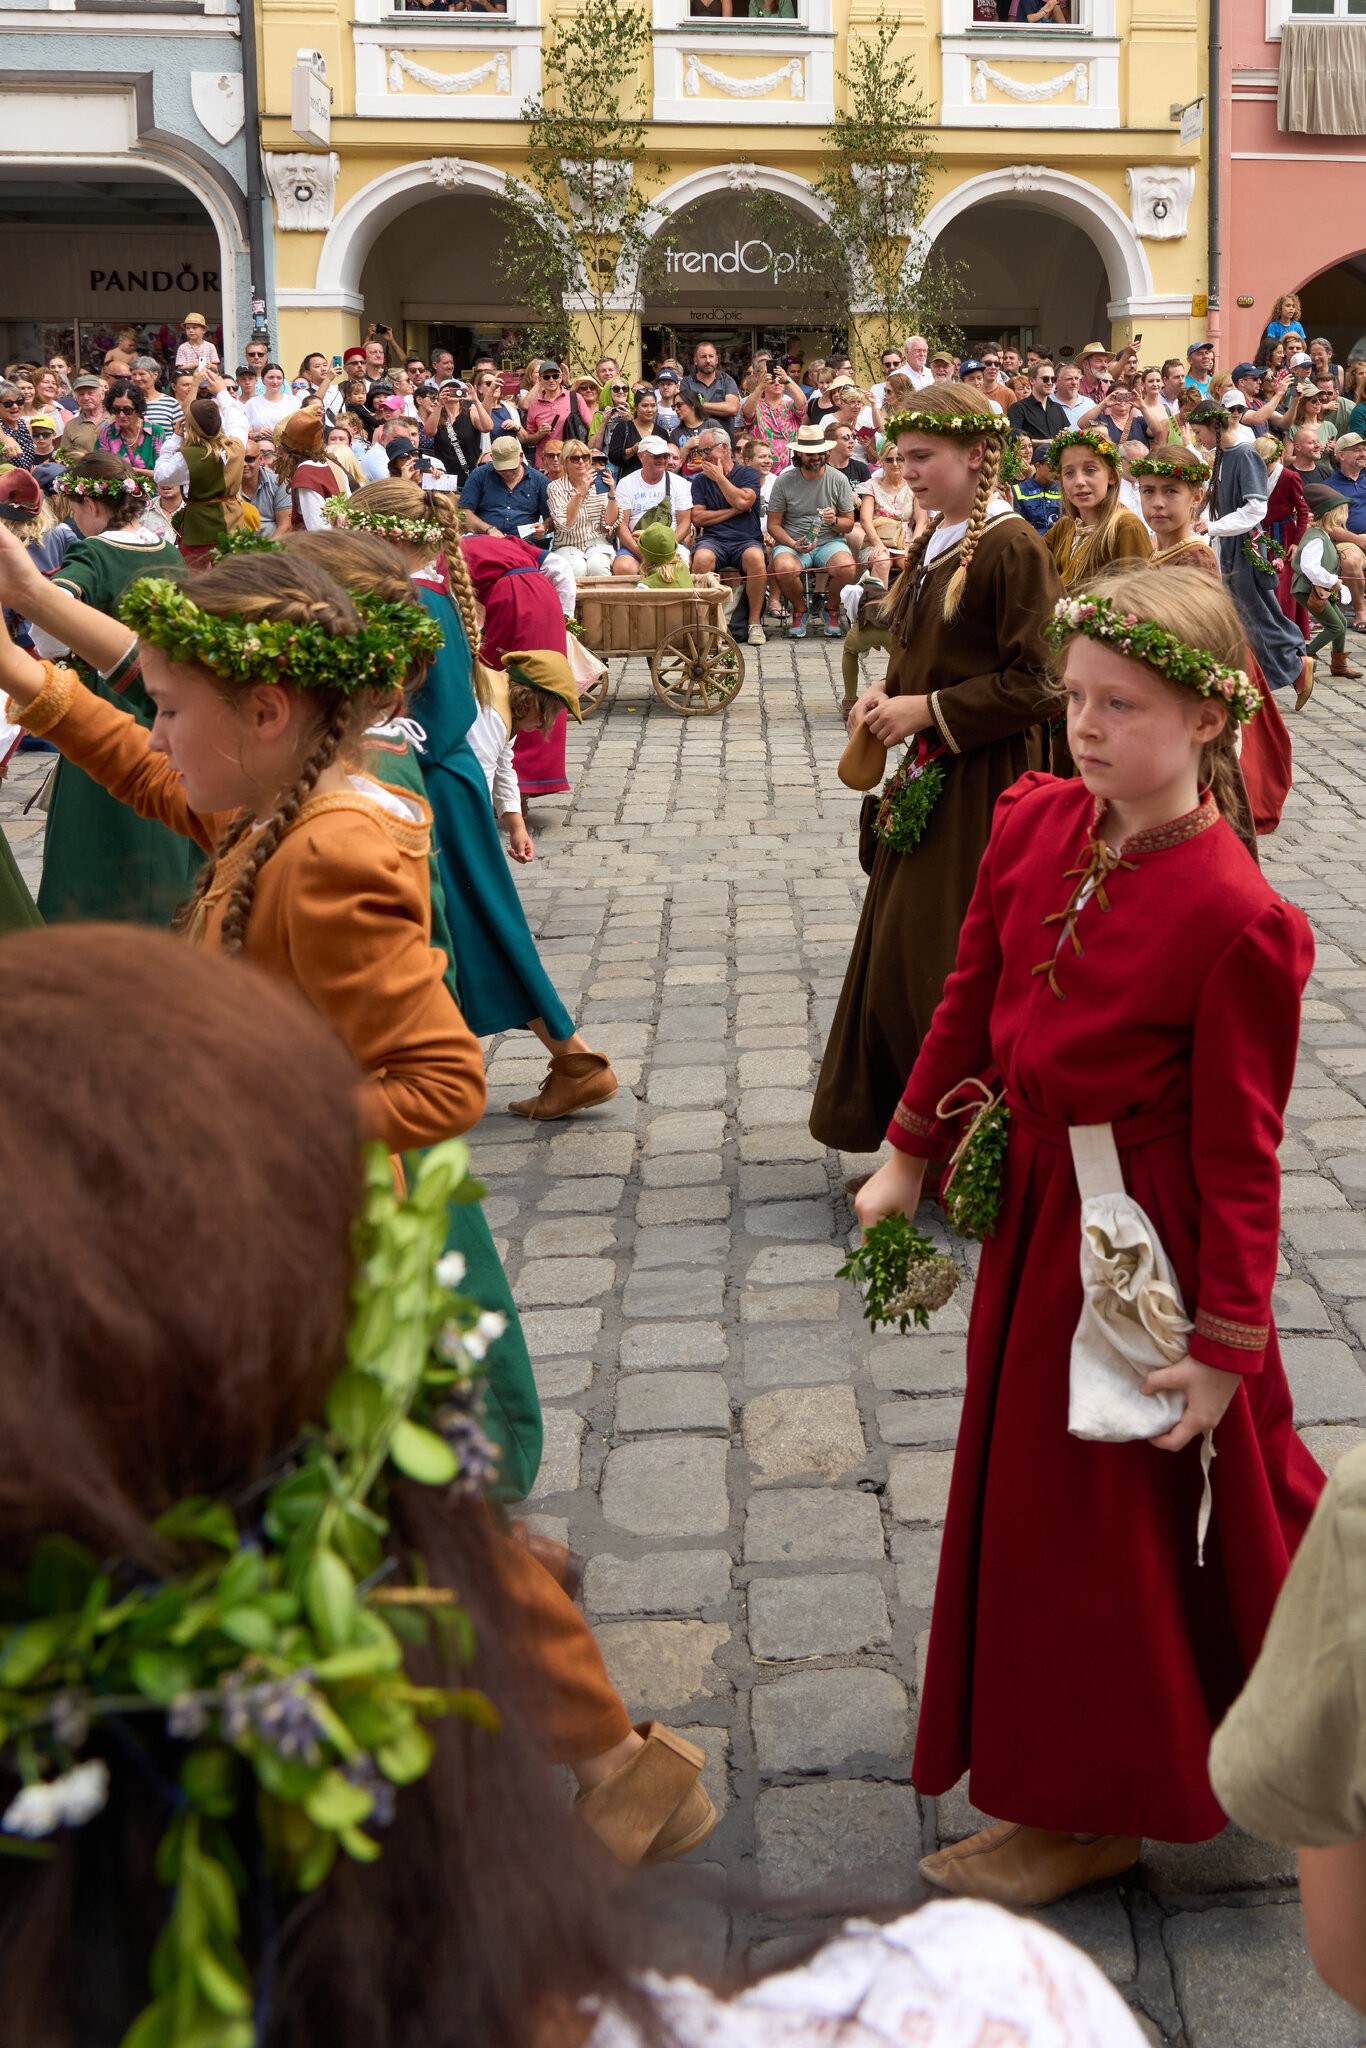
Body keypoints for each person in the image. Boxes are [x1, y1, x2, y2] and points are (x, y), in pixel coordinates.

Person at [850, 561, 1322, 1907]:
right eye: (1074, 699)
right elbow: (967, 993)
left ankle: (1095, 1805)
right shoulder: (1034, 823)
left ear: (1208, 720)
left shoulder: (1235, 916)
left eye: (1121, 705)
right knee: (1032, 1498)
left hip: (1139, 1250)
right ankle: (1064, 1764)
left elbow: (1241, 1158)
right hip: (1042, 1217)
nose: (1087, 727)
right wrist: (905, 1149)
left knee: (1102, 1519)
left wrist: (1226, 1344)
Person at [811, 383, 1060, 1151]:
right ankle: (919, 1139)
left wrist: (929, 712)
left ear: (976, 455)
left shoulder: (1012, 544)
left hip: (987, 783)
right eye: (902, 457)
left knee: (943, 962)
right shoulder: (938, 536)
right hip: (930, 773)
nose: (908, 471)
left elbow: (1041, 683)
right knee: (899, 955)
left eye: (924, 457)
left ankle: (965, 1151)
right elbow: (925, 653)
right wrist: (889, 692)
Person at [19, 453, 196, 926]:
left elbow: (53, 613)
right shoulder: (166, 548)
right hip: (171, 696)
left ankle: (102, 925)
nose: (75, 518)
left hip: (112, 697)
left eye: (74, 507)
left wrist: (63, 650)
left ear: (92, 505)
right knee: (170, 808)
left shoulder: (92, 552)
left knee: (103, 818)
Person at [1190, 400, 1314, 706]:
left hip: (1244, 548)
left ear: (1215, 427)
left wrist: (1214, 526)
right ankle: (1246, 680)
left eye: (1199, 432)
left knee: (1256, 615)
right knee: (1239, 618)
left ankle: (1296, 664)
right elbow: (1214, 494)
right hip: (1227, 545)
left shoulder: (1245, 454)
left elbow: (1255, 508)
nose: (1197, 439)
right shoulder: (1221, 454)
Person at [765, 422, 858, 640]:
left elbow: (849, 523)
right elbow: (774, 524)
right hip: (794, 541)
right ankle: (800, 609)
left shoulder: (838, 479)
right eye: (809, 453)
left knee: (847, 567)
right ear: (798, 453)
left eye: (819, 452)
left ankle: (831, 608)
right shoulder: (785, 480)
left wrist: (834, 520)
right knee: (784, 568)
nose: (815, 457)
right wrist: (791, 543)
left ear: (826, 451)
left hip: (828, 541)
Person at [1043, 429, 1151, 591]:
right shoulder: (1066, 525)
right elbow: (1030, 559)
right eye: (1069, 473)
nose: (1079, 481)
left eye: (1090, 470)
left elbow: (1137, 597)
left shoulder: (1125, 526)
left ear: (1112, 476)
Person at [688, 429, 768, 646]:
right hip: (714, 539)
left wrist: (721, 479)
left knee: (755, 558)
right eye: (699, 451)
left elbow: (744, 503)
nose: (702, 456)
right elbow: (698, 517)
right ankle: (702, 623)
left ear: (724, 449)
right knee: (702, 558)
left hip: (746, 538)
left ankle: (754, 624)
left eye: (706, 450)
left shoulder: (747, 474)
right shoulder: (700, 482)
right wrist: (733, 510)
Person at [153, 397, 245, 570]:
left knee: (193, 576)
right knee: (234, 576)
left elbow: (161, 475)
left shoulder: (188, 457)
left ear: (190, 427)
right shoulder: (236, 445)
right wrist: (222, 394)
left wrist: (175, 438)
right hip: (233, 518)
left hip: (199, 525)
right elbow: (238, 420)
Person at [1292, 487, 1364, 682]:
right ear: (1331, 515)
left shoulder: (1323, 534)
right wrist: (1334, 581)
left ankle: (1339, 665)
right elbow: (1309, 567)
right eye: (1342, 515)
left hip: (1320, 589)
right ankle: (1302, 659)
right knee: (1336, 627)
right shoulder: (1316, 538)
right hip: (1308, 589)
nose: (1344, 519)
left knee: (1340, 623)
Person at [611, 437, 693, 576]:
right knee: (623, 567)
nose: (662, 460)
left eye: (665, 456)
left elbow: (685, 523)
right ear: (641, 456)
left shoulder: (680, 483)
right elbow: (621, 525)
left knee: (678, 567)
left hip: (671, 544)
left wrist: (665, 549)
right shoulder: (626, 483)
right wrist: (640, 552)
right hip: (635, 545)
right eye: (656, 455)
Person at [547, 439, 618, 578]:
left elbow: (609, 523)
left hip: (598, 543)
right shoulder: (555, 487)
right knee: (576, 569)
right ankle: (578, 601)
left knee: (598, 567)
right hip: (567, 544)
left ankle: (601, 600)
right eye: (574, 458)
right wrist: (580, 493)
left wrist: (612, 494)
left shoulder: (599, 482)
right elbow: (565, 524)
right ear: (565, 462)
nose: (581, 462)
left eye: (584, 457)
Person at [274, 408, 353, 531]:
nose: (278, 452)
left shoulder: (305, 475)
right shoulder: (332, 466)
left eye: (281, 447)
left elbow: (318, 529)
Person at [459, 434, 550, 541]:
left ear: (520, 457)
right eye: (501, 469)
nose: (507, 473)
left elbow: (550, 518)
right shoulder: (479, 475)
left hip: (524, 543)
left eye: (512, 468)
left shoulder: (539, 480)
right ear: (492, 459)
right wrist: (489, 529)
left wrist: (544, 527)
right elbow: (464, 512)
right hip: (485, 540)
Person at [739, 361, 806, 469]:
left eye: (780, 381)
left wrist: (787, 380)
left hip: (790, 468)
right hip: (762, 469)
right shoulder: (757, 406)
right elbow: (747, 412)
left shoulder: (789, 405)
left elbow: (802, 403)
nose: (776, 383)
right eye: (771, 381)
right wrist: (760, 387)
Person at [679, 342, 741, 443]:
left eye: (711, 356)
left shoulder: (727, 380)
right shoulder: (687, 382)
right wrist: (721, 408)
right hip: (696, 443)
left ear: (716, 359)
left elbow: (733, 409)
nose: (708, 360)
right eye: (703, 357)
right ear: (695, 360)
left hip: (724, 444)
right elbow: (686, 409)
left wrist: (698, 405)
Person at [520, 360, 572, 470]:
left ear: (560, 377)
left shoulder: (573, 398)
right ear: (540, 379)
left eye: (555, 376)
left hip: (570, 460)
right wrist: (539, 434)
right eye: (546, 377)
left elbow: (589, 427)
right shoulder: (534, 404)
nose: (551, 380)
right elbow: (529, 439)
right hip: (545, 463)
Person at [1007, 360, 1068, 446]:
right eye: (1045, 379)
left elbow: (1065, 432)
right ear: (1032, 381)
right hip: (1031, 458)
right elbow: (1012, 439)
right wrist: (1043, 442)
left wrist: (1065, 435)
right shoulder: (1018, 408)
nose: (1050, 382)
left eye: (1053, 379)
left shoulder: (1057, 408)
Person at [244, 362, 300, 433]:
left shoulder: (294, 401)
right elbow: (246, 430)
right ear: (263, 380)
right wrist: (256, 434)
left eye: (279, 378)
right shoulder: (252, 403)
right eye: (271, 377)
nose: (275, 381)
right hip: (261, 441)